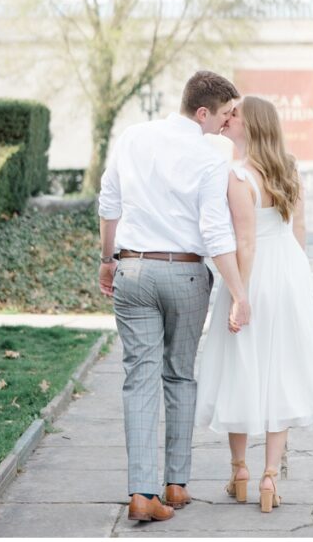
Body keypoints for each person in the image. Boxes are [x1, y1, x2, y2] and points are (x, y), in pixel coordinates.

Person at [98, 70, 250, 523]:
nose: (228, 122)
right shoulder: (210, 159)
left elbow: (110, 202)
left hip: (134, 268)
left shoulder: (133, 137)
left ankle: (142, 493)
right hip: (185, 273)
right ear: (202, 112)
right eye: (224, 114)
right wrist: (239, 293)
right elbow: (214, 229)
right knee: (179, 376)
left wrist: (108, 259)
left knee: (139, 378)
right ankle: (176, 485)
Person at [194, 96, 313, 513]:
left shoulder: (237, 176)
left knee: (242, 364)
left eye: (235, 114)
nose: (228, 118)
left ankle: (241, 470)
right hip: (290, 272)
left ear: (252, 125)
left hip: (254, 273)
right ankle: (269, 477)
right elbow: (299, 229)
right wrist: (297, 282)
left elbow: (245, 241)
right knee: (281, 368)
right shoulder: (289, 168)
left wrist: (239, 295)